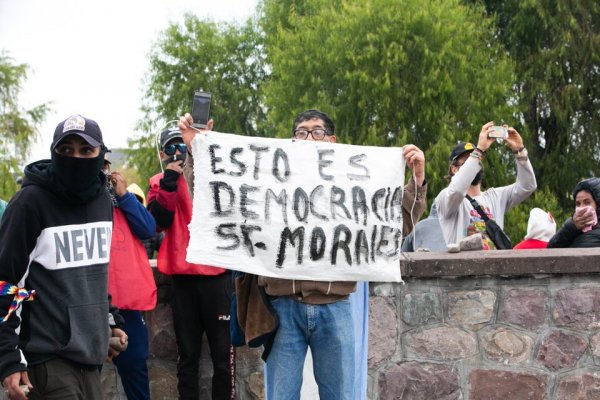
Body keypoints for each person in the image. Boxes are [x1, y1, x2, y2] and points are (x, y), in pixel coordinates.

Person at [217, 109, 425, 400]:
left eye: (316, 132)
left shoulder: (354, 185)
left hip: (336, 306)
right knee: (281, 396)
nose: (308, 137)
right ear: (292, 140)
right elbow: (220, 205)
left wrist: (416, 180)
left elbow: (396, 224)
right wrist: (194, 152)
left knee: (341, 395)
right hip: (282, 308)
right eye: (301, 132)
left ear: (332, 141)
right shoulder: (271, 183)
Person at [0, 115, 126, 400]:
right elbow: (5, 284)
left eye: (86, 150)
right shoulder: (30, 203)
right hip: (44, 359)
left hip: (90, 359)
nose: (75, 157)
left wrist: (107, 322)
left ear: (100, 154)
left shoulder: (103, 202)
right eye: (66, 149)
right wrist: (8, 356)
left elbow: (92, 276)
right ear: (53, 152)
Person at [147, 126, 234, 399]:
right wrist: (170, 182)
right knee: (187, 356)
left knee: (222, 355)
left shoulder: (213, 176)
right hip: (183, 279)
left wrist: (201, 141)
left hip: (217, 275)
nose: (177, 152)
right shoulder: (158, 182)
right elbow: (157, 223)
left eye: (181, 146)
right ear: (162, 153)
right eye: (170, 147)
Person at [103, 155, 157, 400]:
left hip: (126, 304)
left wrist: (123, 195)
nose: (101, 170)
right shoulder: (75, 203)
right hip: (90, 302)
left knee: (134, 368)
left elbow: (148, 228)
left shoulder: (124, 201)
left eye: (105, 164)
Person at [434, 122, 537, 248]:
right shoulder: (446, 198)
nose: (475, 163)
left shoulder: (495, 196)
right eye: (468, 161)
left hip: (494, 267)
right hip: (462, 267)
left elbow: (528, 186)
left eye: (478, 159)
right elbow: (457, 189)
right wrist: (479, 150)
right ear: (453, 169)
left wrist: (519, 151)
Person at [548, 178, 600, 248]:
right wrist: (572, 227)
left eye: (587, 202)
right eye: (578, 204)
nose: (581, 207)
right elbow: (551, 249)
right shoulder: (573, 229)